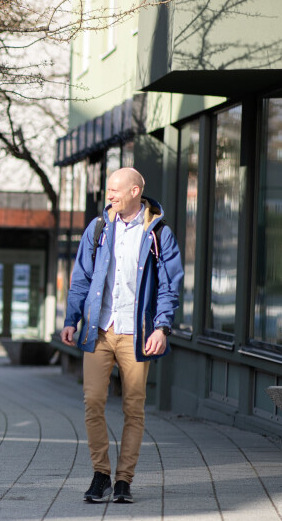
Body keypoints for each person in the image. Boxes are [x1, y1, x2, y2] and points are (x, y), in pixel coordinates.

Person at [60, 167, 183, 504]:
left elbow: (169, 285)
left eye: (115, 190)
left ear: (134, 191)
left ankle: (124, 479)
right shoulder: (98, 228)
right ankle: (101, 473)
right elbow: (81, 278)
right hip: (99, 329)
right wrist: (72, 319)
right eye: (108, 190)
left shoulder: (158, 232)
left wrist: (161, 327)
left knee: (134, 407)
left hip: (137, 333)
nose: (109, 195)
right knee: (93, 401)